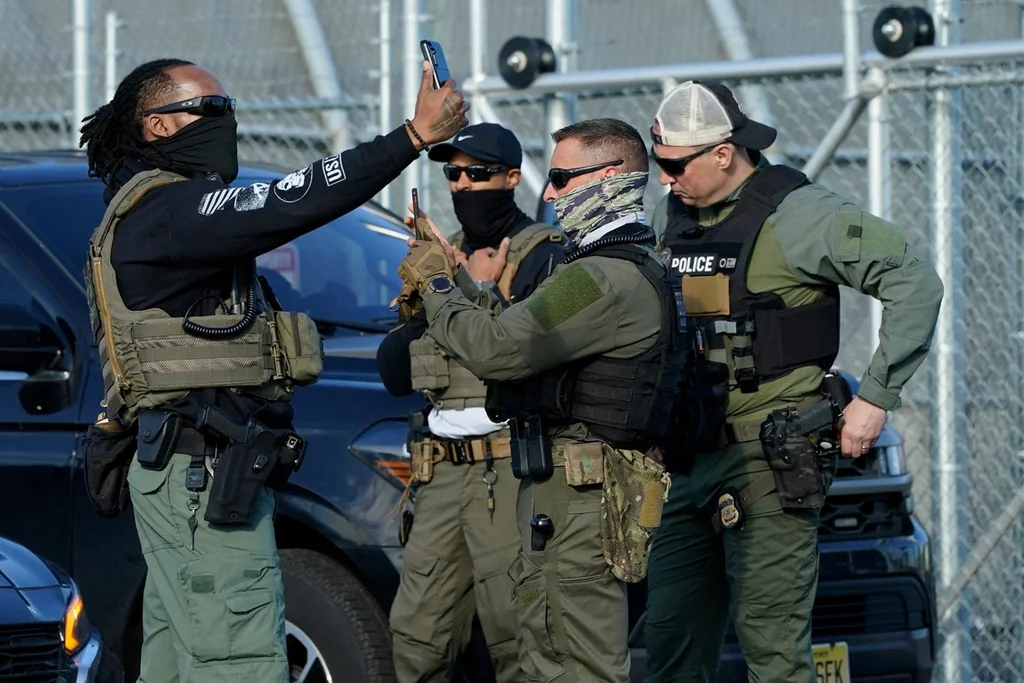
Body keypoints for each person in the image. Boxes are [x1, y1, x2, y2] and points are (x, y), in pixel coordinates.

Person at [77, 57, 467, 683]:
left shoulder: (160, 213)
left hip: (189, 472)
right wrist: (412, 136)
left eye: (230, 108)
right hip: (201, 475)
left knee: (180, 665)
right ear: (158, 125)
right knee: (240, 661)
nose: (226, 121)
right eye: (210, 109)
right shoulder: (166, 212)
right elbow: (291, 200)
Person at [642, 80, 944, 683]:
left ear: (723, 153)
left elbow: (914, 282)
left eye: (675, 166)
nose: (665, 179)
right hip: (684, 458)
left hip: (768, 457)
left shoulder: (801, 214)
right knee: (671, 643)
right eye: (659, 164)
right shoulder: (670, 216)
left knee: (772, 645)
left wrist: (876, 397)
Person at [390, 117, 685, 683]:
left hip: (579, 500)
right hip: (574, 492)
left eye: (562, 179)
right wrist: (462, 284)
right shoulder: (622, 266)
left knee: (569, 661)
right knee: (545, 650)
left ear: (610, 177)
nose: (549, 194)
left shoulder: (598, 277)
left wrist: (437, 286)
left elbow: (499, 349)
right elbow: (517, 333)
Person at [376, 122, 566, 682]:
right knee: (417, 637)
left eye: (477, 173)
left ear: (512, 178)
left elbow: (533, 355)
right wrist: (439, 291)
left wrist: (477, 294)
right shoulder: (444, 263)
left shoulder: (546, 257)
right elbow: (393, 371)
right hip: (441, 471)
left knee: (517, 635)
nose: (462, 185)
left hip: (511, 468)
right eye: (453, 174)